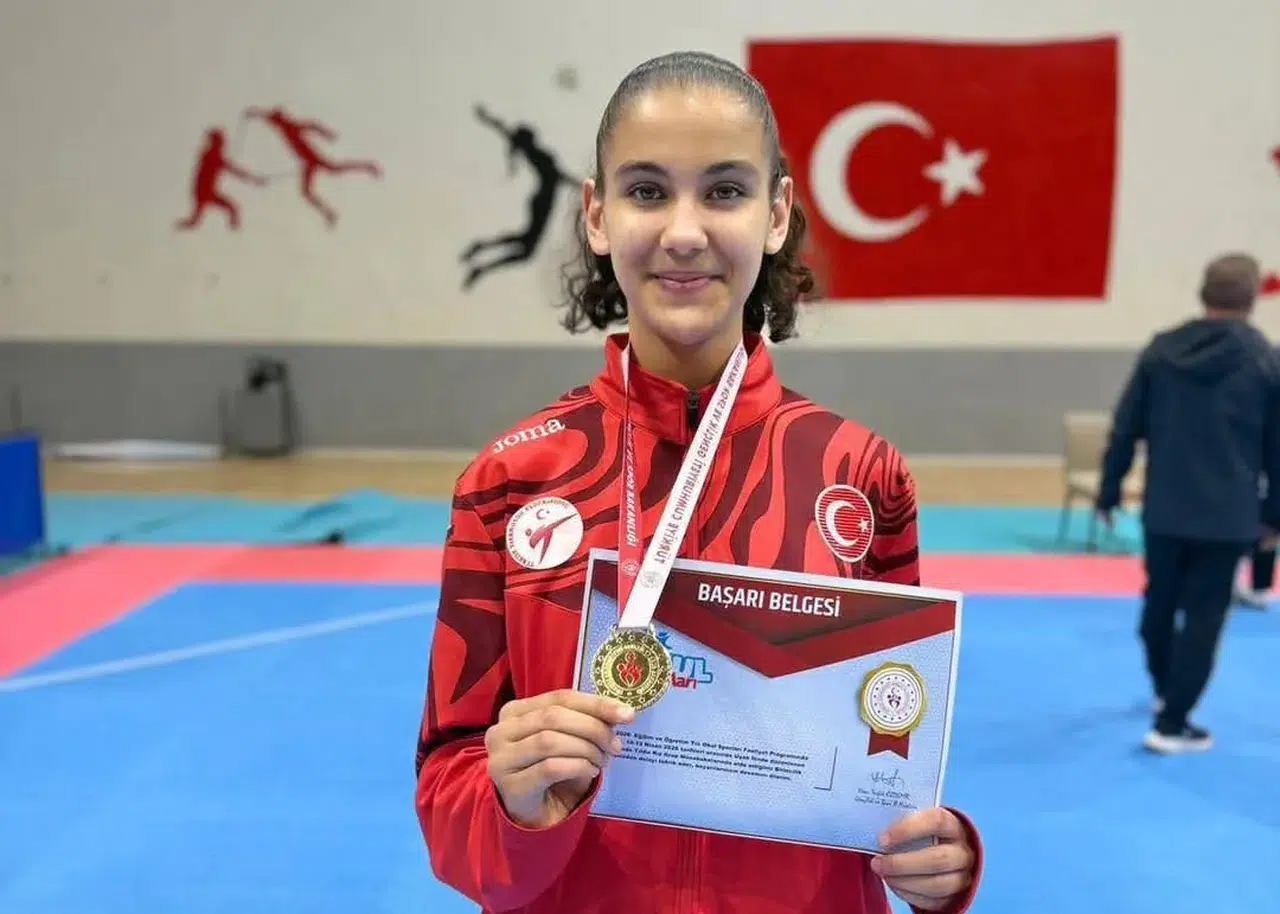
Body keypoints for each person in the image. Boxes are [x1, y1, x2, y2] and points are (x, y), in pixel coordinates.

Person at [413, 51, 982, 914]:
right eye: (647, 191)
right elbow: (448, 795)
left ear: (776, 214)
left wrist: (935, 859)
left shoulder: (863, 475)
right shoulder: (510, 480)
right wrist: (509, 801)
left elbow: (887, 744)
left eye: (724, 191)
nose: (684, 232)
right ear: (598, 216)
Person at [1096, 252, 1280, 754]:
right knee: (1204, 617)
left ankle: (1164, 689)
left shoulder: (1161, 352)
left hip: (1166, 509)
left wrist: (1109, 488)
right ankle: (1173, 722)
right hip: (1230, 516)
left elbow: (1126, 426)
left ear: (1203, 294)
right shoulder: (1266, 361)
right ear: (1251, 299)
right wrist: (1273, 517)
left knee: (1158, 605)